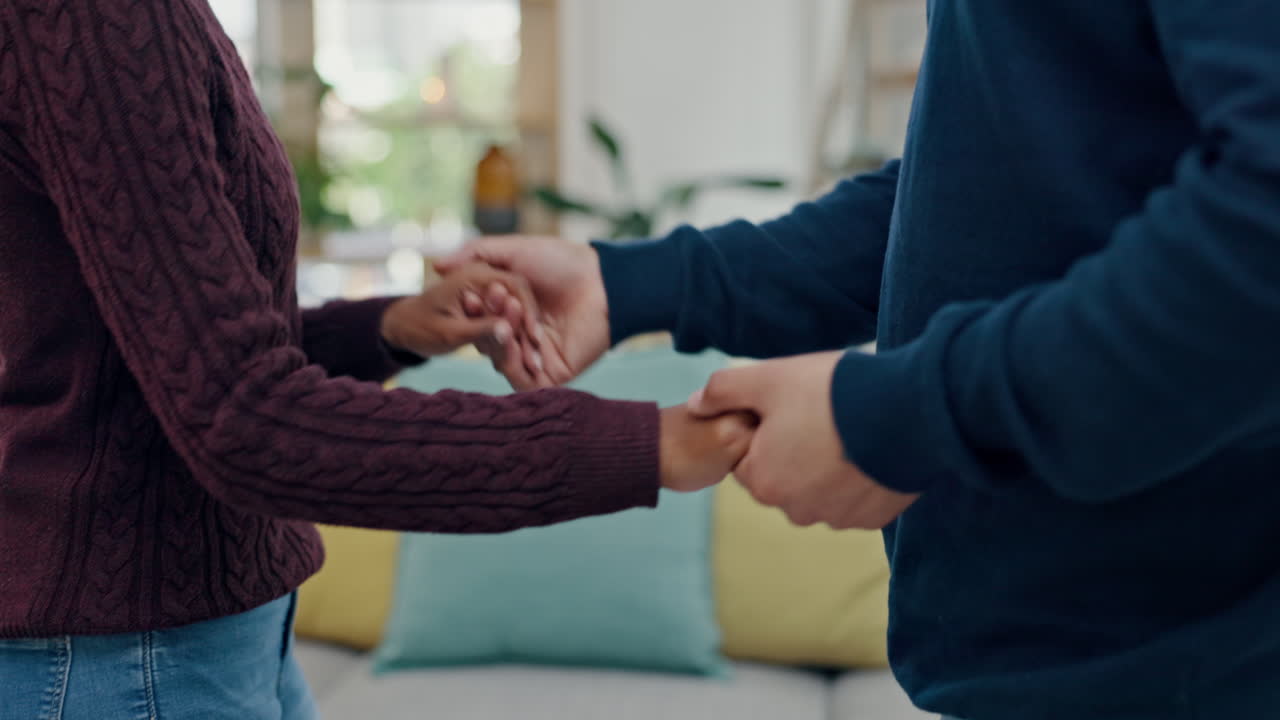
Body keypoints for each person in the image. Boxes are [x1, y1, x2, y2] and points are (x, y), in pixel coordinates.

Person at [438, 2, 1280, 718]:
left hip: (1186, 662)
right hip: (1060, 655)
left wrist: (911, 414)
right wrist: (633, 284)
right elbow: (991, 186)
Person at [0, 2, 754, 718]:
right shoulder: (91, 19)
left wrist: (389, 327)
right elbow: (244, 422)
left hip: (192, 639)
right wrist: (645, 446)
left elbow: (155, 354)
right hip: (127, 664)